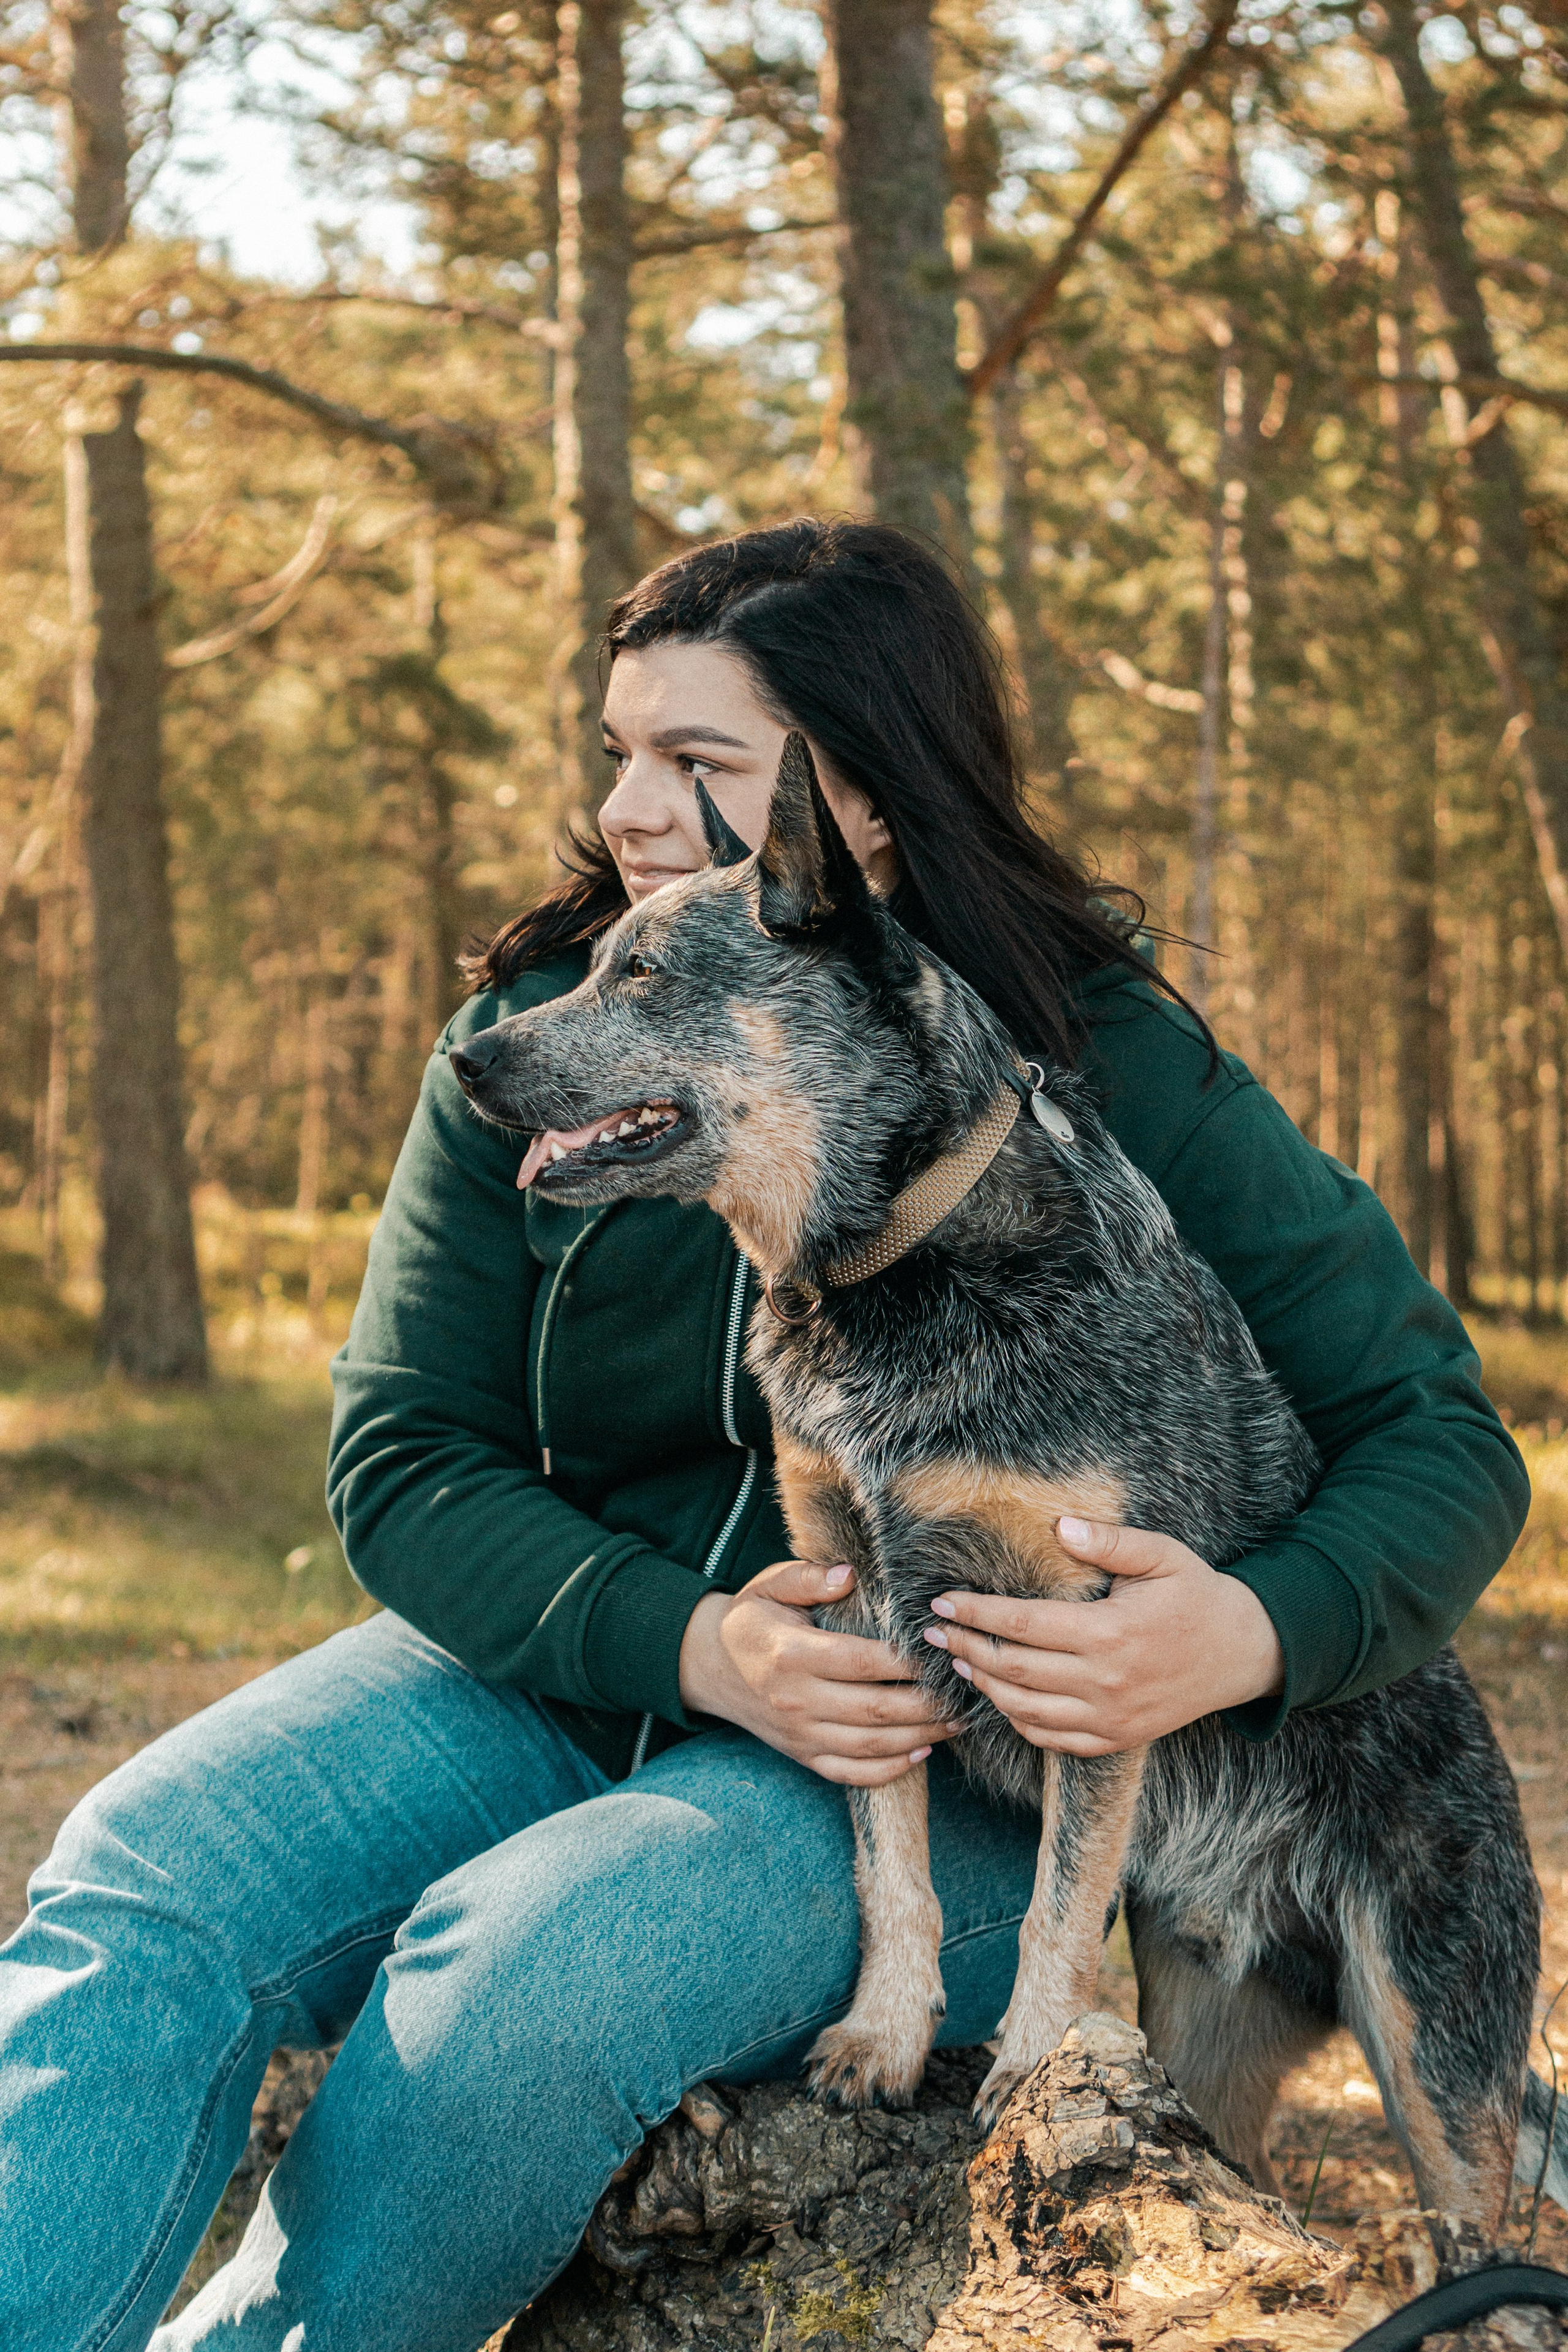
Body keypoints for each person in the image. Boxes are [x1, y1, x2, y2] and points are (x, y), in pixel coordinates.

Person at [0, 519, 1528, 2352]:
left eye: (697, 759)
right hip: (569, 1665)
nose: (628, 808)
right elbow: (403, 1456)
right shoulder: (535, 1038)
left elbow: (1438, 1438)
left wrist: (1244, 1631)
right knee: (146, 1877)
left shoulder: (1092, 1044)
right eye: (618, 751)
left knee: (515, 1993)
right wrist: (697, 1644)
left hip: (946, 1763)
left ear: (858, 803)